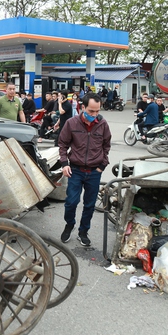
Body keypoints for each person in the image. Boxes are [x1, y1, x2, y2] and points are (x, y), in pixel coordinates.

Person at [58, 93, 111, 247]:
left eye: (97, 111)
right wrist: (64, 164)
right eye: (91, 111)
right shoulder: (71, 123)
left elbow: (106, 146)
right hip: (75, 170)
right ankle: (69, 225)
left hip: (95, 171)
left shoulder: (103, 124)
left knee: (89, 204)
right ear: (82, 108)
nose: (94, 115)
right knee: (71, 202)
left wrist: (102, 165)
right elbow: (62, 144)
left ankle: (83, 232)